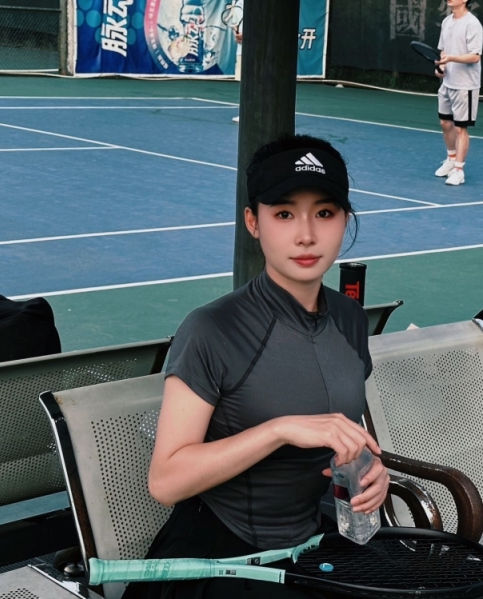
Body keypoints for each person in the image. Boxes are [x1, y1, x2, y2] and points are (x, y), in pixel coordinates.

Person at [123, 134, 390, 599]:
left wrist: (371, 471)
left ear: (345, 220)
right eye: (284, 214)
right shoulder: (212, 329)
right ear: (253, 222)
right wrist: (279, 430)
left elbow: (343, 428)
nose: (306, 235)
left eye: (324, 213)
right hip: (219, 561)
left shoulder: (350, 319)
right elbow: (166, 481)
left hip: (311, 548)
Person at [434, 0, 483, 186]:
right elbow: (443, 51)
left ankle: (459, 170)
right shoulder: (446, 21)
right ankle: (451, 160)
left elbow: (475, 56)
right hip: (447, 82)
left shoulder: (472, 24)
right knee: (445, 123)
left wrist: (451, 58)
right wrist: (442, 67)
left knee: (460, 128)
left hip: (465, 85)